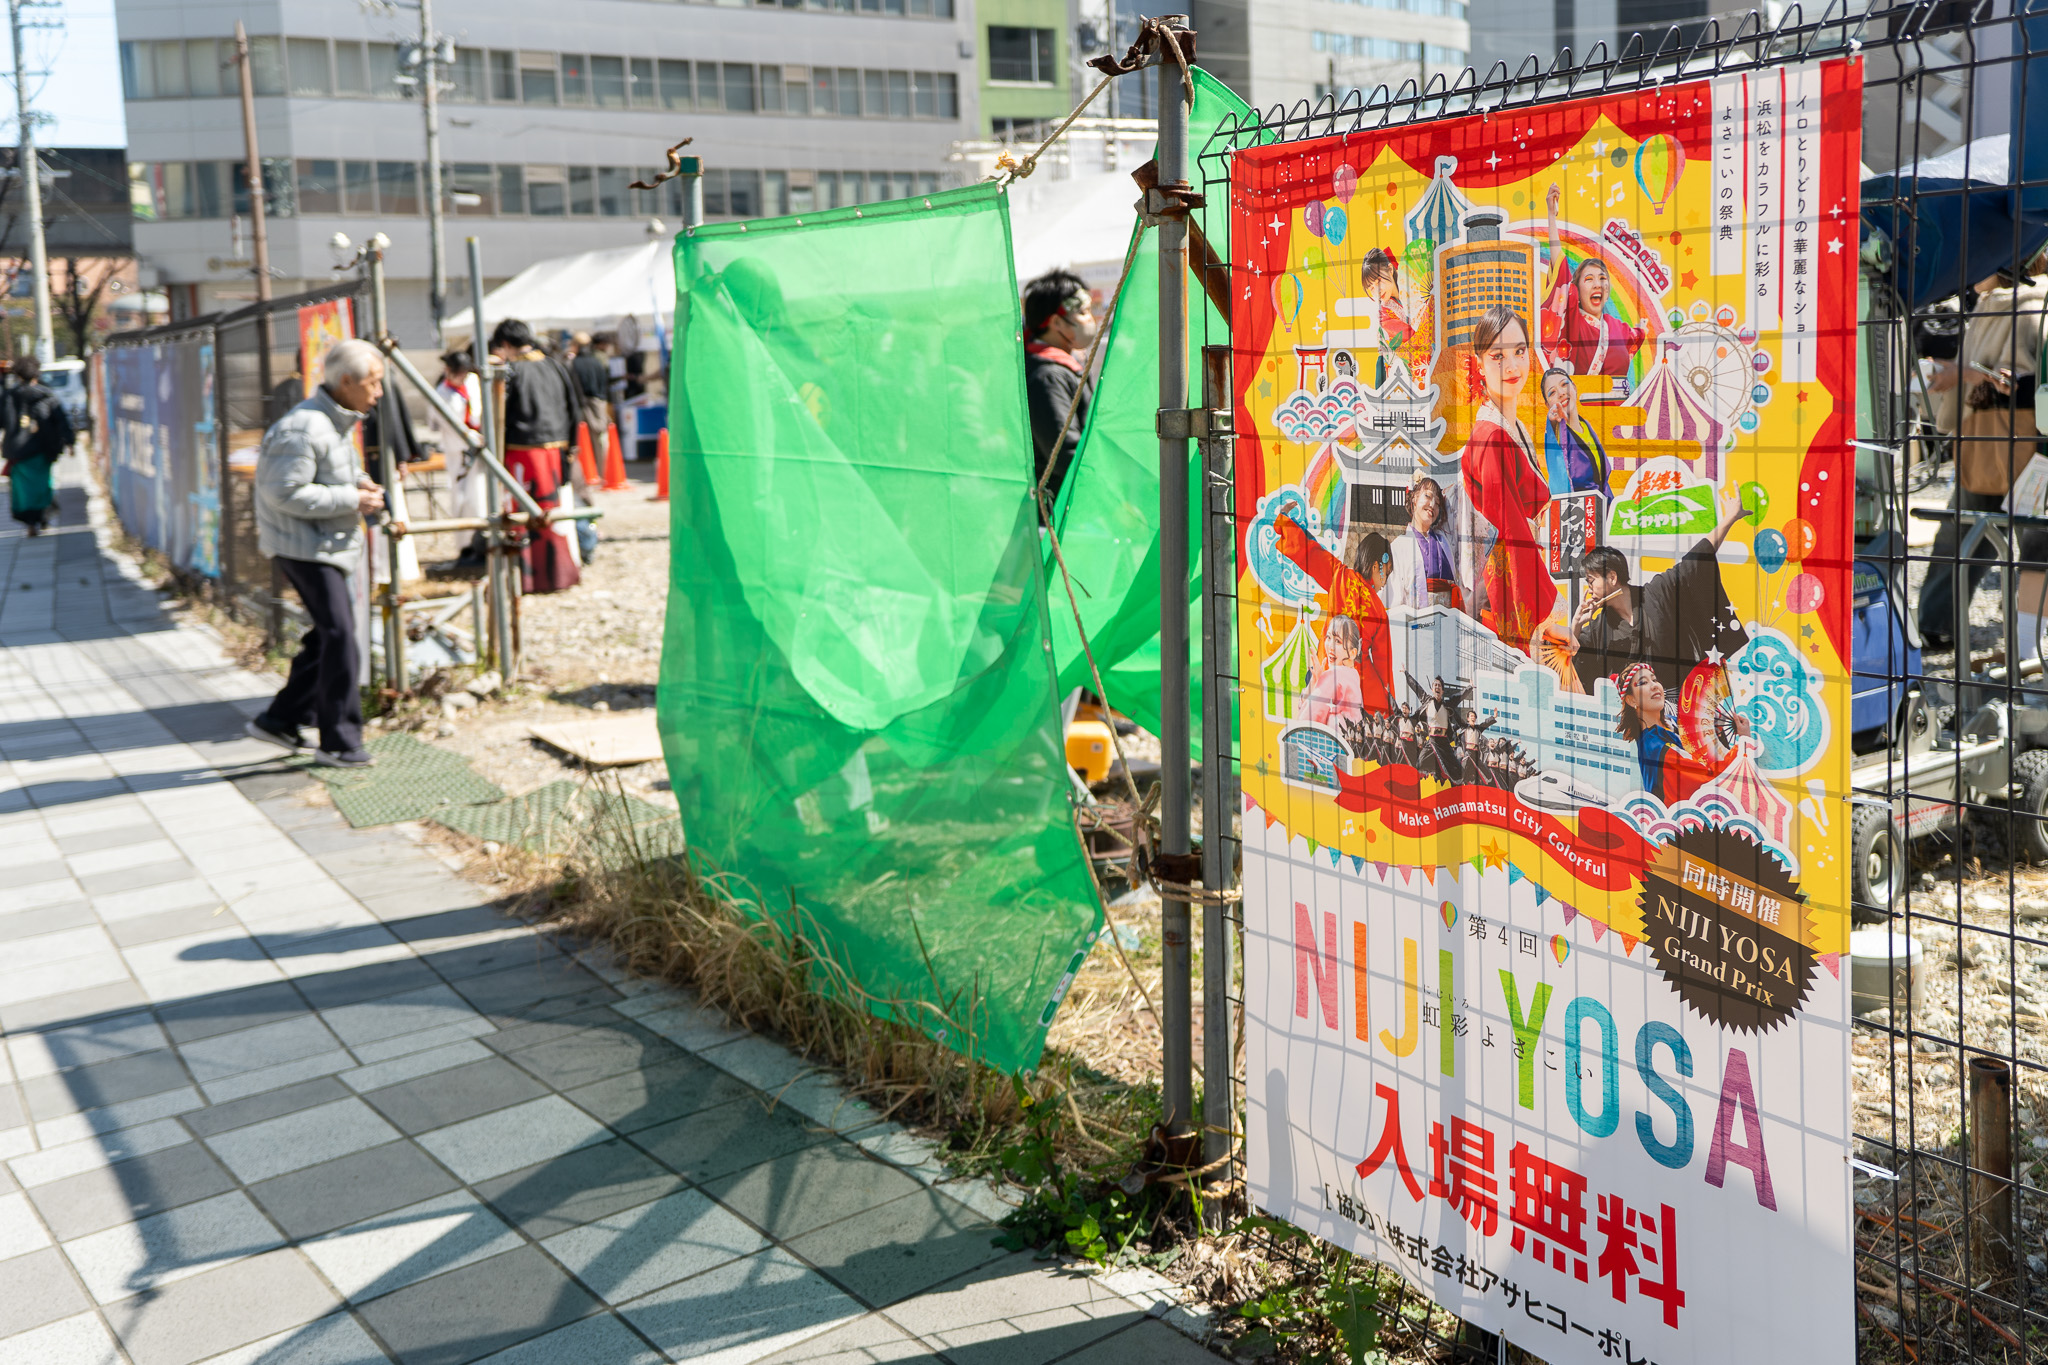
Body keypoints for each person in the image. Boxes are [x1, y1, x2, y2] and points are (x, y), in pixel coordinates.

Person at [245, 338, 386, 768]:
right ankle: (338, 741)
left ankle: (280, 718)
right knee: (341, 636)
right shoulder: (305, 426)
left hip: (318, 542)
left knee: (328, 634)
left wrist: (358, 484)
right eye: (373, 383)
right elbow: (284, 492)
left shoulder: (331, 420)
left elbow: (330, 472)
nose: (378, 392)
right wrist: (352, 499)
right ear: (346, 382)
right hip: (305, 546)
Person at [1918, 264, 2048, 647]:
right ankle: (1936, 623)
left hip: (2025, 444)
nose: (1972, 265)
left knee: (2028, 541)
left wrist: (1965, 374)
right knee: (1962, 531)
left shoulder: (2032, 305)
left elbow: (2027, 384)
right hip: (1988, 439)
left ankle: (2025, 641)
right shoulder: (1988, 304)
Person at [1571, 493, 1754, 694]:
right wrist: (1577, 624)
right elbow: (1572, 658)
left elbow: (1694, 562)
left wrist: (1729, 518)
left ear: (1612, 577)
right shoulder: (1599, 628)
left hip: (1682, 701)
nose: (1589, 589)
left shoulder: (1657, 592)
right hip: (1637, 711)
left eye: (1591, 581)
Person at [1461, 306, 1556, 651]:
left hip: (1519, 579)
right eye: (1497, 356)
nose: (1513, 366)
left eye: (1519, 351)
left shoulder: (1511, 428)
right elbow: (1512, 535)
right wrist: (1549, 617)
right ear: (1479, 364)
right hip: (1508, 593)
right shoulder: (1493, 439)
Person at [490, 318, 583, 593]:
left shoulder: (511, 371)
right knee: (553, 513)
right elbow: (574, 408)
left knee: (525, 515)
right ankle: (561, 572)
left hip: (522, 453)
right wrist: (571, 447)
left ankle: (529, 576)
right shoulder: (555, 365)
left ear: (505, 344)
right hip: (556, 452)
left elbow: (498, 417)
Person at [1274, 517, 1395, 712]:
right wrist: (1389, 705)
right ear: (1375, 566)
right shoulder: (1379, 610)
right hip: (1355, 685)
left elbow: (1312, 553)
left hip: (1323, 671)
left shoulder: (1340, 575)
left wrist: (1285, 524)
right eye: (1385, 575)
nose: (1385, 582)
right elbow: (1384, 666)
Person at [1540, 183, 1648, 379]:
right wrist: (1551, 216)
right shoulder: (1572, 319)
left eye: (1602, 278)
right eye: (1589, 279)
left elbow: (1636, 335)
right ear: (1576, 290)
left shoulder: (1618, 328)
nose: (1597, 284)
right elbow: (1560, 271)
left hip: (1616, 400)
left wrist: (1643, 328)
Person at [1614, 661, 1749, 803]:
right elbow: (1709, 781)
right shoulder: (1658, 748)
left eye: (1654, 679)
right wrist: (1744, 744)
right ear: (1631, 700)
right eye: (1643, 683)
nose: (1654, 685)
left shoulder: (1673, 723)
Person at [1022, 269, 1097, 506]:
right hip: (1058, 507)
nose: (1091, 319)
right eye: (1083, 312)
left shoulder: (1057, 367)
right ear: (1056, 322)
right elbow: (1065, 453)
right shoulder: (1048, 376)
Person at [3, 357, 76, 535]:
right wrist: (69, 441)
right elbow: (61, 420)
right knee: (43, 483)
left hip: (17, 451)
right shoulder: (47, 395)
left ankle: (30, 522)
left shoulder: (9, 396)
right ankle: (43, 516)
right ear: (37, 373)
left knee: (22, 489)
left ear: (18, 375)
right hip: (43, 449)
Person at [1387, 474, 1463, 610]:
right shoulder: (1399, 546)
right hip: (1416, 617)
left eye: (1437, 503)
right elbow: (1394, 597)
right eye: (1427, 496)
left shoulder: (1444, 542)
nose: (1432, 505)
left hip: (1449, 615)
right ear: (1414, 498)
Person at [1539, 367, 1609, 502]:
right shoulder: (1557, 436)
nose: (1561, 393)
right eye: (1552, 392)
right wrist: (1552, 422)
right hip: (1578, 511)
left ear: (1574, 387)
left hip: (1604, 507)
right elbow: (1556, 467)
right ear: (1548, 405)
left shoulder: (1586, 426)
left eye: (1564, 384)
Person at [1305, 616, 1365, 728]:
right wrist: (1316, 683)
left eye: (1338, 641)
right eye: (1328, 637)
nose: (1330, 647)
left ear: (1352, 653)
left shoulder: (1333, 676)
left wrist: (1315, 685)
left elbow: (1307, 719)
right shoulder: (1353, 676)